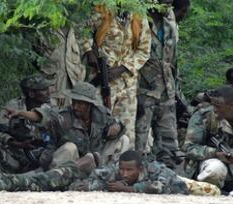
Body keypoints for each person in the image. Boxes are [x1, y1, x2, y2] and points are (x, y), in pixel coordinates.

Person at [7, 81, 129, 171]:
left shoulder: (101, 113)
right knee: (69, 147)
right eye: (74, 102)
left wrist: (116, 127)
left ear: (89, 105)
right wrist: (21, 113)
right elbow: (42, 115)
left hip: (94, 159)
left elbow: (116, 124)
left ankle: (109, 172)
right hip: (68, 163)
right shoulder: (64, 116)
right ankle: (57, 177)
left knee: (124, 140)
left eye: (80, 103)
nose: (76, 107)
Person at [81, 4, 151, 148]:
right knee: (99, 125)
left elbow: (144, 51)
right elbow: (83, 31)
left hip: (127, 83)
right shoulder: (100, 9)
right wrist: (89, 52)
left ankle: (124, 165)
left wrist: (122, 69)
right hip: (101, 78)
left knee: (126, 130)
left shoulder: (139, 15)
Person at [0, 75, 54, 173]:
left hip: (42, 156)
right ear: (31, 94)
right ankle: (5, 173)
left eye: (48, 89)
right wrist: (16, 143)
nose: (49, 92)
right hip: (17, 155)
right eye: (44, 90)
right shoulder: (14, 106)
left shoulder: (49, 107)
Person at [135, 0, 180, 168]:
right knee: (140, 134)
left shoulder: (169, 18)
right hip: (143, 85)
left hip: (166, 85)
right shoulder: (138, 17)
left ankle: (168, 169)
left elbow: (173, 55)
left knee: (168, 135)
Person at [69, 150, 220, 196]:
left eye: (129, 170)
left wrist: (128, 189)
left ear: (140, 169)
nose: (124, 174)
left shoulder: (156, 169)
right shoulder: (115, 170)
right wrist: (105, 186)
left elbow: (165, 187)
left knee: (214, 192)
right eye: (122, 169)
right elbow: (90, 181)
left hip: (176, 181)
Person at [183, 85, 233, 193]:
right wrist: (215, 153)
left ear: (232, 105)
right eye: (213, 105)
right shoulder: (204, 117)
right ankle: (214, 191)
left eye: (218, 106)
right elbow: (189, 148)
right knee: (215, 170)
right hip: (215, 162)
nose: (214, 109)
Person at [33, 27, 86, 107]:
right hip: (52, 88)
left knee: (69, 117)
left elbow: (82, 54)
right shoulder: (43, 28)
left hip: (73, 89)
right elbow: (34, 56)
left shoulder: (78, 28)